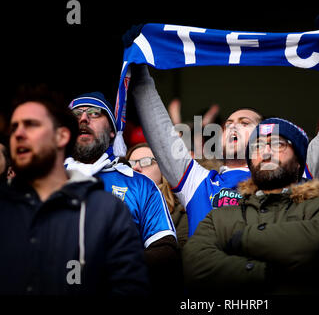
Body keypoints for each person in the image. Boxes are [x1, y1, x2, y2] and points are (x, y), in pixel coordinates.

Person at [129, 63, 319, 237]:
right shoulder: (197, 182)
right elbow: (159, 129)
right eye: (228, 124)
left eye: (245, 122)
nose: (234, 125)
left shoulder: (291, 174)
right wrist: (139, 71)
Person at [0, 92, 150, 295]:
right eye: (14, 127)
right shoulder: (5, 204)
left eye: (31, 124)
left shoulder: (106, 208)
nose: (19, 134)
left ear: (61, 136)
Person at [182, 117, 319, 295]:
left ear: (300, 159)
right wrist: (263, 271)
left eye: (277, 144)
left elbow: (316, 246)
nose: (266, 152)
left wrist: (239, 240)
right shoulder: (219, 217)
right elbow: (194, 265)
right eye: (257, 146)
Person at [64, 92, 178, 292]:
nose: (83, 118)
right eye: (76, 114)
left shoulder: (141, 185)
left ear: (111, 131)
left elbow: (165, 250)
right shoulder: (44, 180)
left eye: (95, 113)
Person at [126, 142, 188, 248]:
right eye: (130, 164)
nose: (135, 168)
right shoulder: (112, 205)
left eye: (146, 162)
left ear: (164, 170)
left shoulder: (183, 211)